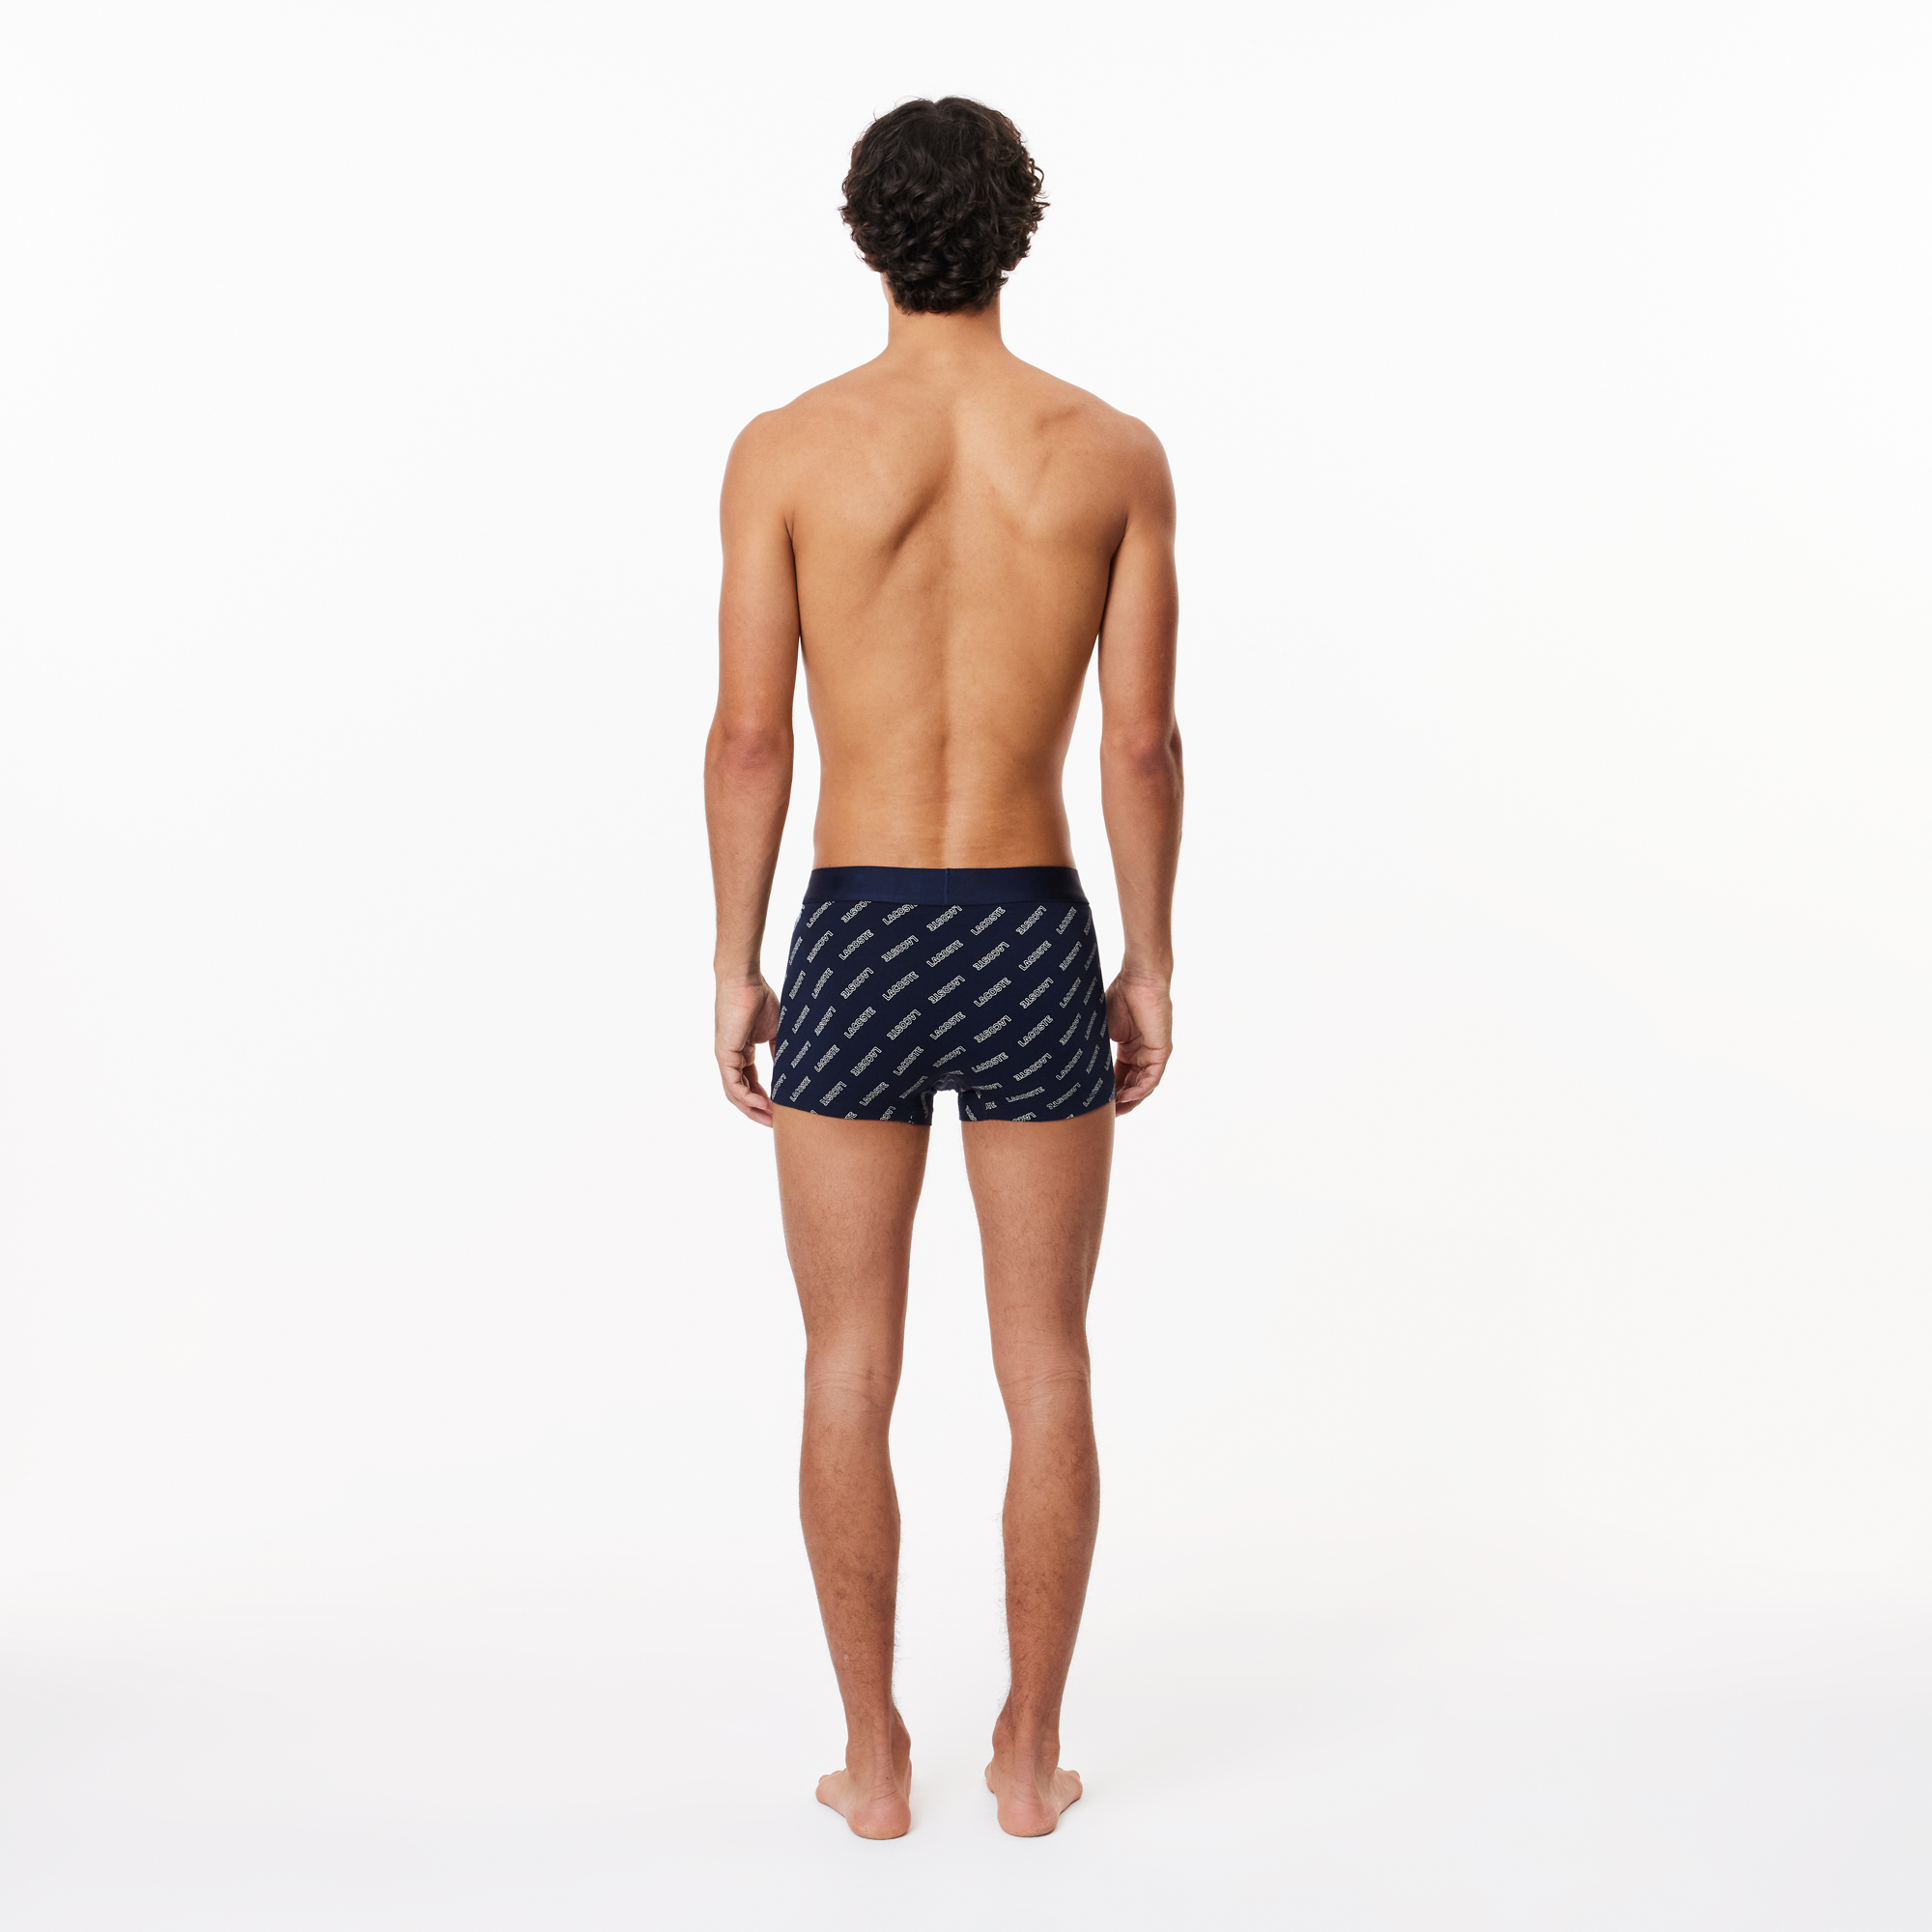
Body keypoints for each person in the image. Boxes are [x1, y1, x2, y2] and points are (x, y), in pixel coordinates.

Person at [704, 97, 1181, 1840]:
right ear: (1017, 230)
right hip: (1029, 924)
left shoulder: (788, 450)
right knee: (1046, 1360)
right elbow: (1140, 745)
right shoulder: (1109, 452)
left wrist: (738, 958)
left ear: (868, 234)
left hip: (859, 927)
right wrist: (1147, 954)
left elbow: (752, 737)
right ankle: (1030, 1761)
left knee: (848, 1360)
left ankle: (876, 1761)